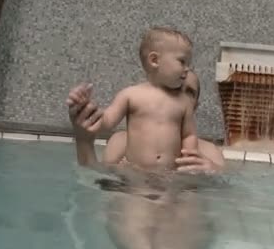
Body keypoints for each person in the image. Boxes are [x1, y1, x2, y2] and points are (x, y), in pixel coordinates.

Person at [68, 71, 223, 249]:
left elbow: (226, 196)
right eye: (169, 89)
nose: (175, 95)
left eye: (186, 91)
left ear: (195, 105)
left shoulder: (208, 151)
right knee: (138, 243)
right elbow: (92, 176)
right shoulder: (122, 142)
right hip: (134, 202)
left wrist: (211, 172)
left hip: (184, 206)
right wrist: (83, 139)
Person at [66, 27, 199, 172]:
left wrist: (189, 157)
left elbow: (189, 134)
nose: (187, 69)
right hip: (136, 172)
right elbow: (107, 121)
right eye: (182, 62)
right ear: (154, 60)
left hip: (169, 174)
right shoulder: (131, 95)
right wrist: (87, 109)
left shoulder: (184, 103)